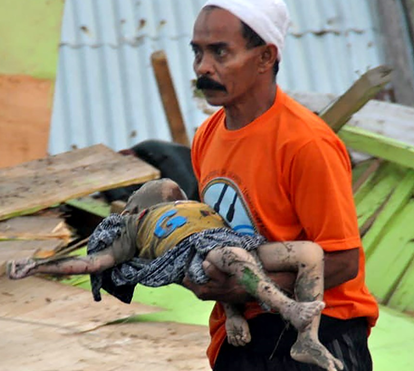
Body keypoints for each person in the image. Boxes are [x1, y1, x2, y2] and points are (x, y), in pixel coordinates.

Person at [186, 0, 379, 370]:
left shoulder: (305, 143)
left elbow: (342, 260)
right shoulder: (206, 138)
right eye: (198, 52)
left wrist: (249, 288)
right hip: (242, 330)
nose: (203, 67)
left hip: (321, 327)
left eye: (220, 52)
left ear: (265, 58)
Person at [8, 179, 342, 371]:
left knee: (309, 252)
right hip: (199, 257)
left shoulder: (193, 204)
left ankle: (306, 340)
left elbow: (229, 238)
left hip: (235, 245)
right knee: (230, 257)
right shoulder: (130, 229)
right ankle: (290, 310)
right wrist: (37, 266)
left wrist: (233, 314)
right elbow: (91, 263)